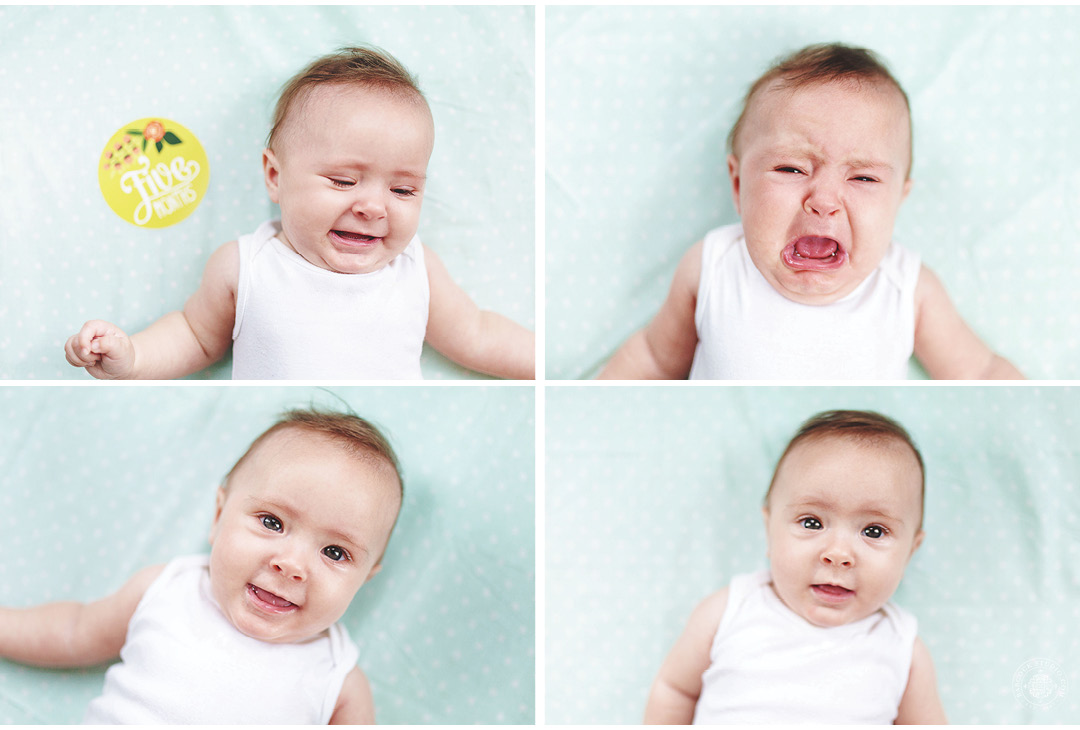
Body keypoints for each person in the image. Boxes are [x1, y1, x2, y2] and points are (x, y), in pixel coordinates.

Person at [65, 46, 534, 380]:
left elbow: (477, 334)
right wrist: (133, 357)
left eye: (403, 189)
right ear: (275, 176)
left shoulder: (416, 269)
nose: (372, 206)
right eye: (343, 181)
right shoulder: (246, 265)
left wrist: (547, 367)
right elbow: (194, 336)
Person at [599, 43, 1022, 380]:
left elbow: (979, 370)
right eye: (791, 168)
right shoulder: (712, 267)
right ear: (738, 183)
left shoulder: (907, 289)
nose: (823, 200)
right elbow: (654, 358)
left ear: (899, 200)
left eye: (864, 179)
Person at [0, 408, 402, 723]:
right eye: (272, 522)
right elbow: (74, 631)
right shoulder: (166, 589)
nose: (291, 565)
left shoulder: (339, 683)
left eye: (335, 552)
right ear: (217, 516)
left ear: (365, 578)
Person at [644, 410, 948, 724]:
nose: (838, 554)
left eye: (874, 531)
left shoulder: (901, 647)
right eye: (812, 522)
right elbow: (675, 690)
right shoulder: (729, 611)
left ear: (910, 552)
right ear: (769, 530)